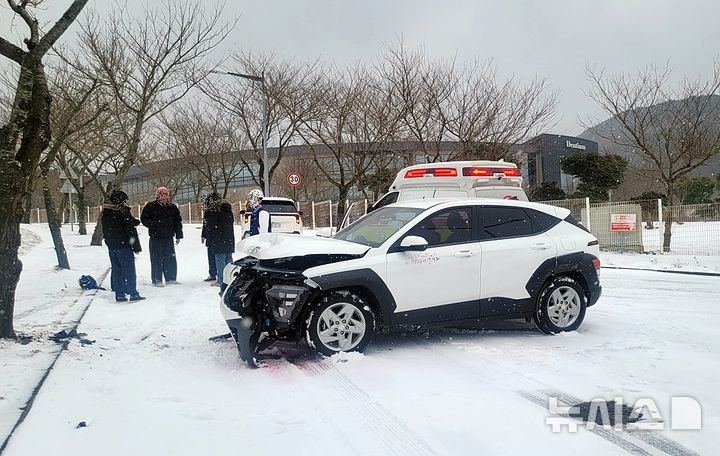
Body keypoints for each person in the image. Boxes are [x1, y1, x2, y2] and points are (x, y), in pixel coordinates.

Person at [101, 190, 145, 302]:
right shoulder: (123, 212)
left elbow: (109, 229)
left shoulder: (106, 213)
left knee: (117, 270)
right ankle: (133, 293)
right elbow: (129, 230)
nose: (126, 202)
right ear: (121, 201)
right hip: (124, 245)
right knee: (129, 270)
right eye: (125, 200)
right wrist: (136, 246)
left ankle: (119, 294)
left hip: (112, 246)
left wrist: (133, 221)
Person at [141, 187, 183, 287]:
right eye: (161, 195)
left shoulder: (173, 207)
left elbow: (177, 221)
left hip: (168, 236)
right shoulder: (150, 206)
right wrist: (155, 225)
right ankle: (157, 279)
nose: (164, 197)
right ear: (157, 196)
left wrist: (178, 235)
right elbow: (144, 219)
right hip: (155, 236)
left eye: (166, 195)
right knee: (156, 258)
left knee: (170, 258)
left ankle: (171, 278)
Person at [206, 197, 235, 287]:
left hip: (219, 241)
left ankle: (221, 280)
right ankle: (230, 279)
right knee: (229, 260)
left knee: (220, 260)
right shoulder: (230, 213)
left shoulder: (217, 213)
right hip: (229, 240)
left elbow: (211, 225)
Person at [201, 193, 221, 282]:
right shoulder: (208, 211)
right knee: (212, 256)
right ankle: (213, 273)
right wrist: (203, 235)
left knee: (215, 256)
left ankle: (214, 273)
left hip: (215, 237)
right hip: (212, 237)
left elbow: (207, 224)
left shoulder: (218, 211)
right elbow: (205, 224)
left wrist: (205, 233)